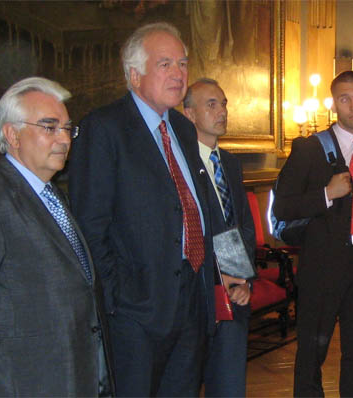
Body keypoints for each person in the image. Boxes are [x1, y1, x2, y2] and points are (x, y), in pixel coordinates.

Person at [0, 77, 114, 397]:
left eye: (67, 128)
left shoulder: (54, 196)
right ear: (12, 135)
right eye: (49, 127)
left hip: (75, 372)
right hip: (22, 381)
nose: (63, 139)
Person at [68, 22, 216, 397]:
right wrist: (117, 299)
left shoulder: (183, 128)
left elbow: (195, 208)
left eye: (182, 63)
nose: (179, 73)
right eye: (165, 64)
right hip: (135, 312)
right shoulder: (104, 128)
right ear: (134, 75)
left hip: (190, 300)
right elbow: (89, 224)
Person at [273, 70, 353, 397]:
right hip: (322, 266)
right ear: (333, 104)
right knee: (311, 354)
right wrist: (327, 194)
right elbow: (282, 208)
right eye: (344, 99)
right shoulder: (309, 149)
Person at [183, 78, 255, 397]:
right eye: (211, 104)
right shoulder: (180, 163)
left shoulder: (229, 163)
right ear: (189, 114)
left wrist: (241, 279)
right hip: (194, 296)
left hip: (232, 296)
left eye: (223, 103)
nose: (221, 111)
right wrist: (216, 277)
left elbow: (240, 228)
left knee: (228, 385)